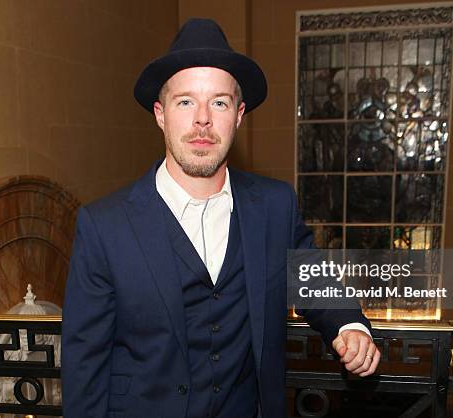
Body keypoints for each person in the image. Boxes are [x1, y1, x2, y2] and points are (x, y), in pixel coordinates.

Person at [61, 18, 380, 418]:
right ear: (160, 114)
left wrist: (350, 326)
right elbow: (84, 368)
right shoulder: (103, 226)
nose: (202, 120)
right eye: (185, 102)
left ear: (239, 114)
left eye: (219, 102)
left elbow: (310, 277)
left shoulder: (275, 205)